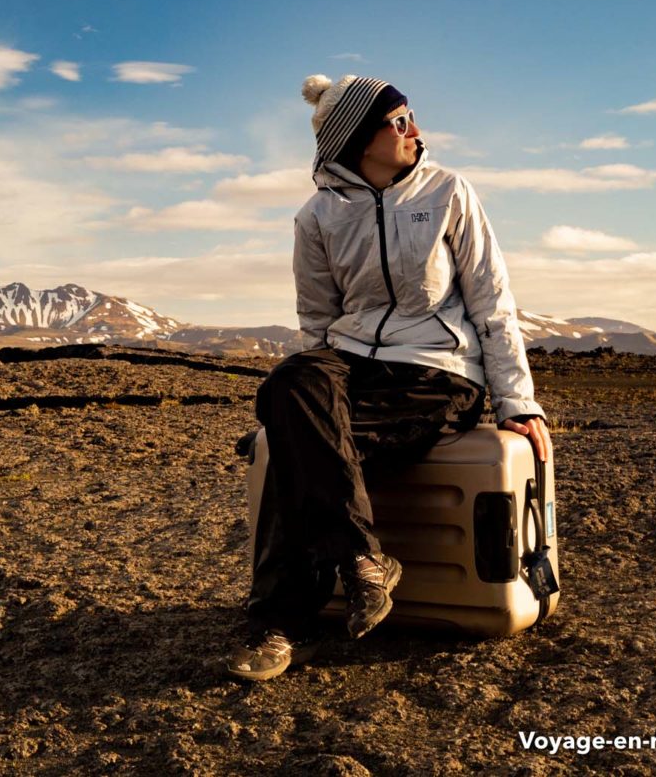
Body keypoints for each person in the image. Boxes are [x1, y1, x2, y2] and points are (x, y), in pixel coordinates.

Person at [226, 73, 552, 682]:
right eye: (399, 121)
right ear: (356, 136)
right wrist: (298, 414)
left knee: (297, 452)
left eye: (411, 118)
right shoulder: (317, 217)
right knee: (288, 383)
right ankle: (361, 558)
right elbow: (317, 323)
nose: (415, 132)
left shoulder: (449, 192)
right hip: (351, 364)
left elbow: (492, 300)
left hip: (438, 370)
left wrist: (517, 400)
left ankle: (278, 623)